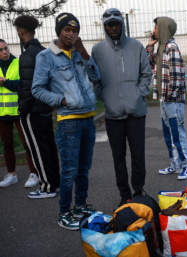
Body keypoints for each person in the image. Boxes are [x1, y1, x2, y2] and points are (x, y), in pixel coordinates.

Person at [32, 13, 102, 230]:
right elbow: (37, 89)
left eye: (74, 30)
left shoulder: (79, 53)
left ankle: (80, 206)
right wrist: (60, 99)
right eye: (67, 30)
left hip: (88, 118)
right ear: (59, 31)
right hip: (68, 121)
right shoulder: (46, 57)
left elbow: (96, 77)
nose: (71, 34)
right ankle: (64, 213)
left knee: (84, 168)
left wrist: (82, 51)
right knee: (70, 170)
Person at [92, 8, 152, 207]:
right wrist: (105, 97)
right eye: (109, 25)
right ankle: (124, 194)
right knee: (118, 157)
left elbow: (146, 73)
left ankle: (138, 191)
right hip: (113, 114)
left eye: (116, 23)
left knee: (138, 154)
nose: (113, 28)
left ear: (122, 24)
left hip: (136, 112)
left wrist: (138, 94)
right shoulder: (98, 50)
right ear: (105, 26)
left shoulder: (136, 46)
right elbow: (96, 80)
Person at [14, 15, 60, 199]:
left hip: (32, 112)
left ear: (21, 31)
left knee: (37, 148)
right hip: (46, 109)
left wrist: (21, 110)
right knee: (49, 146)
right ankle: (54, 182)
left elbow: (27, 87)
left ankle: (47, 187)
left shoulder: (26, 55)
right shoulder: (45, 51)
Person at [146, 16, 187, 180]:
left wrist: (170, 97)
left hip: (171, 100)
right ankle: (175, 164)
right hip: (164, 99)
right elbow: (150, 65)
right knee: (168, 133)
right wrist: (150, 47)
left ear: (164, 28)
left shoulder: (172, 48)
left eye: (157, 28)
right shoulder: (161, 47)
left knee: (178, 133)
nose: (154, 31)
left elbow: (177, 77)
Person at [0, 39, 37, 188]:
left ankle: (34, 174)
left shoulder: (18, 62)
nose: (4, 52)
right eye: (1, 50)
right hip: (2, 113)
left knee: (27, 142)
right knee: (7, 145)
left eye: (6, 48)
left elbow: (23, 83)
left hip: (19, 110)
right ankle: (11, 175)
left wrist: (6, 82)